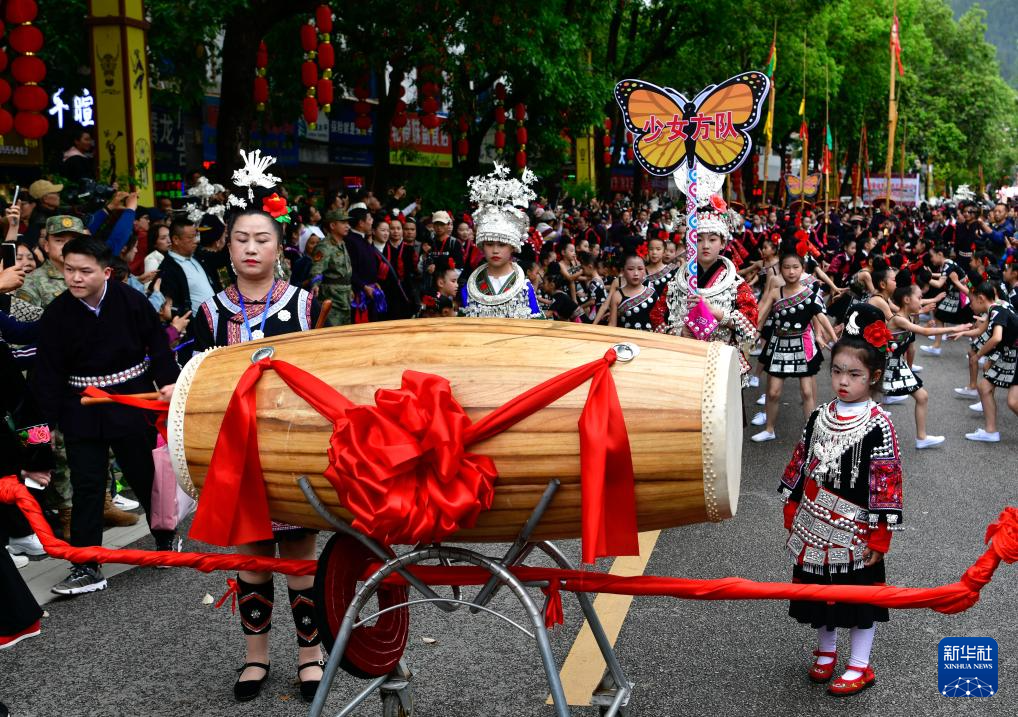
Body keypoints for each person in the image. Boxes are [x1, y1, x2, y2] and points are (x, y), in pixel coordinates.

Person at [190, 199, 324, 703]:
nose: (251, 247)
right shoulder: (210, 311)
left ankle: (310, 658)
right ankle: (256, 657)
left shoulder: (305, 304)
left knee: (299, 555)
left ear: (278, 247)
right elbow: (198, 382)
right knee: (250, 556)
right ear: (228, 245)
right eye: (241, 238)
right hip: (236, 453)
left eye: (261, 239)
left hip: (289, 450)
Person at [32, 237, 180, 595]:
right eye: (69, 270)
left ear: (106, 272)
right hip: (80, 407)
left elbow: (158, 345)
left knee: (145, 476)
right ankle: (85, 564)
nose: (75, 278)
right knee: (87, 485)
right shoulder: (56, 315)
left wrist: (170, 383)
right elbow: (45, 379)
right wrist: (39, 435)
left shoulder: (131, 300)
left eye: (85, 271)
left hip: (133, 401)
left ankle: (164, 539)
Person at [779, 302, 903, 696]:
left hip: (857, 528)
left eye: (855, 374)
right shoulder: (819, 415)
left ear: (874, 376)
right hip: (815, 522)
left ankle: (860, 665)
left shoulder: (879, 425)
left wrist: (880, 536)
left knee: (858, 598)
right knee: (820, 592)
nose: (843, 381)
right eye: (837, 371)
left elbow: (887, 483)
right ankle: (827, 650)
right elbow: (802, 460)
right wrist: (792, 503)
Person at [653, 185, 759, 386]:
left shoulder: (736, 285)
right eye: (699, 239)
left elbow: (751, 328)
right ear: (690, 242)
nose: (706, 245)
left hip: (721, 363)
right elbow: (658, 318)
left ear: (723, 243)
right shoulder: (677, 282)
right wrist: (677, 332)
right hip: (684, 360)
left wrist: (718, 314)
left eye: (712, 239)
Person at [752, 249, 838, 442]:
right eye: (787, 267)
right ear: (780, 270)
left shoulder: (809, 293)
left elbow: (821, 317)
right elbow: (761, 314)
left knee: (807, 391)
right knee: (773, 392)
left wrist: (833, 338)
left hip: (802, 344)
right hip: (778, 344)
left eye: (795, 267)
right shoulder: (775, 292)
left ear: (802, 269)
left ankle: (811, 431)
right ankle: (769, 429)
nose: (791, 272)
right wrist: (755, 333)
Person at [885, 282, 970, 448]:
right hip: (887, 366)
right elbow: (924, 333)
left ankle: (921, 438)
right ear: (907, 299)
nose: (921, 301)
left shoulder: (906, 318)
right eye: (919, 297)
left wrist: (924, 324)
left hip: (896, 365)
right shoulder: (898, 319)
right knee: (871, 404)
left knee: (922, 396)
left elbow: (916, 333)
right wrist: (955, 328)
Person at [459, 165, 542, 319]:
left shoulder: (523, 287)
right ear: (482, 246)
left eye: (502, 244)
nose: (495, 250)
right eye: (490, 244)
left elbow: (536, 326)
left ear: (512, 247)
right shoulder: (469, 289)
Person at [958, 282, 1018, 443]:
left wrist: (978, 355)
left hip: (1014, 355)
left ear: (980, 298)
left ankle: (991, 431)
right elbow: (979, 330)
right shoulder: (998, 306)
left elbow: (996, 337)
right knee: (984, 387)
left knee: (1013, 402)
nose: (970, 306)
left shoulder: (997, 311)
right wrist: (960, 332)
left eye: (971, 302)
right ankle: (990, 431)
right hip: (1009, 354)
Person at [922, 244, 971, 356]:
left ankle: (978, 351)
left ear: (940, 254)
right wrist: (931, 275)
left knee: (973, 322)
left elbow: (939, 284)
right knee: (940, 315)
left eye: (932, 256)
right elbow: (943, 275)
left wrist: (927, 278)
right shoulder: (948, 264)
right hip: (958, 295)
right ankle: (937, 344)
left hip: (962, 296)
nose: (931, 259)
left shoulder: (948, 265)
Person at [310, 209, 353, 326]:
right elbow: (317, 269)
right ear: (333, 225)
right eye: (343, 223)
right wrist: (315, 284)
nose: (347, 226)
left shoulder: (342, 243)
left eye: (347, 223)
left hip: (345, 297)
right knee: (332, 333)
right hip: (332, 299)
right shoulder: (325, 246)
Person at [608, 252, 654, 330]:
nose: (636, 273)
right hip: (626, 340)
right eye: (630, 269)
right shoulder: (617, 296)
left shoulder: (651, 293)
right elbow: (612, 324)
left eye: (640, 269)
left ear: (644, 271)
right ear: (623, 271)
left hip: (649, 339)